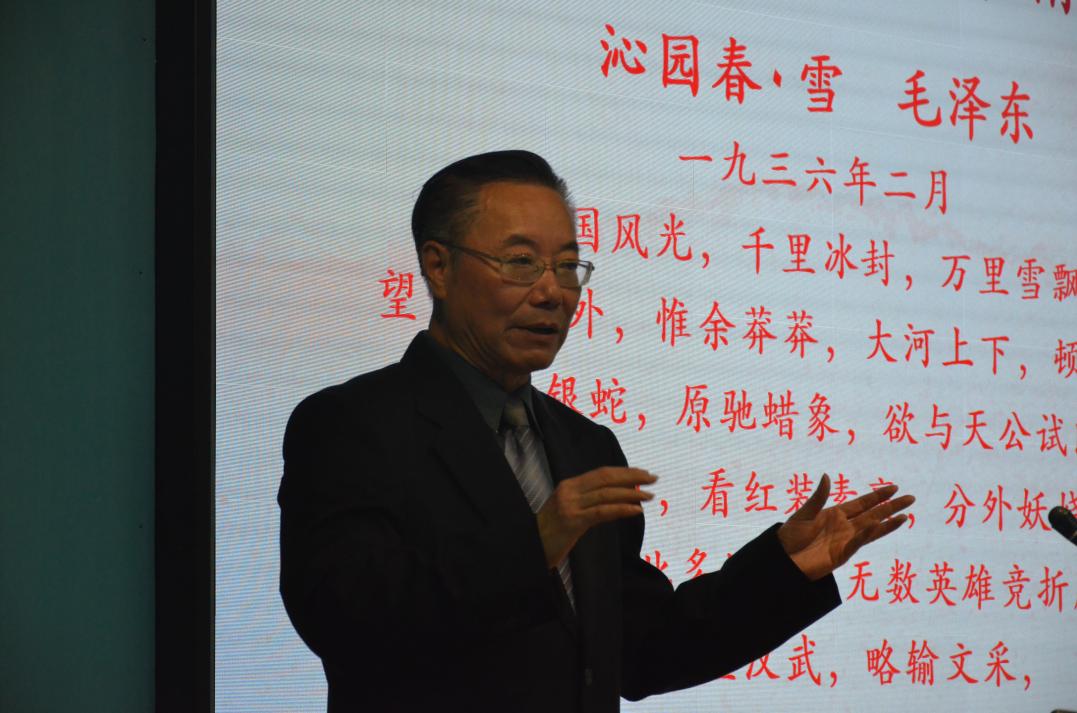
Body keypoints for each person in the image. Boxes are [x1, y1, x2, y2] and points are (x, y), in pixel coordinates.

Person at [277, 150, 915, 712]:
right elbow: (343, 620)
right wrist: (536, 545)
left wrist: (783, 570)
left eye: (567, 266)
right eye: (521, 262)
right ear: (438, 267)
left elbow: (641, 648)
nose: (552, 292)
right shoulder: (351, 426)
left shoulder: (584, 446)